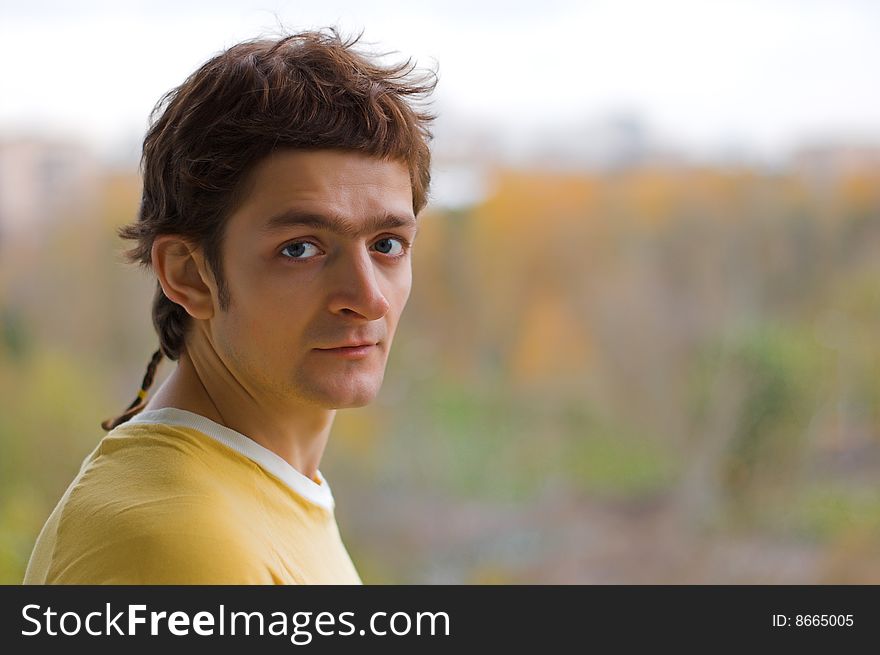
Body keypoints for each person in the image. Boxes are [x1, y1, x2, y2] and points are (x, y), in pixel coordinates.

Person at [23, 29, 436, 584]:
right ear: (189, 275)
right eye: (301, 249)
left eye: (386, 244)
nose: (368, 298)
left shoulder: (256, 489)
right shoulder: (175, 545)